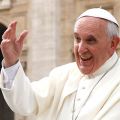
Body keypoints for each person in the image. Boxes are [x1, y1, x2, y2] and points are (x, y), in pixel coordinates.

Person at [0, 8, 120, 120]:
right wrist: (12, 62)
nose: (81, 49)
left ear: (113, 44)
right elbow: (26, 101)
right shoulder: (62, 74)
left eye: (90, 40)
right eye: (77, 39)